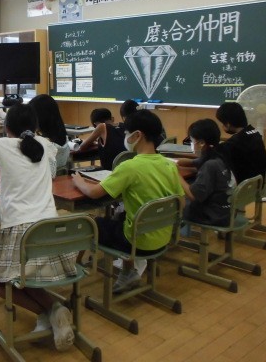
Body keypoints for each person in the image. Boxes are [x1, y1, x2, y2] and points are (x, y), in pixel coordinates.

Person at [0, 103, 77, 351]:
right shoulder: (46, 145)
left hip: (20, 230)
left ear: (6, 126)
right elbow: (34, 175)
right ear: (35, 126)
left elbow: (0, 183)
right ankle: (52, 312)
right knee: (24, 276)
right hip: (50, 230)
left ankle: (50, 310)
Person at [72, 109, 184, 293]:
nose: (125, 137)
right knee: (122, 216)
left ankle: (76, 273)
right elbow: (181, 202)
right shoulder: (169, 165)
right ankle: (128, 272)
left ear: (137, 135)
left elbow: (93, 193)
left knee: (91, 221)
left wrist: (79, 181)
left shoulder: (130, 167)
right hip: (163, 238)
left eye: (126, 133)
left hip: (135, 242)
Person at [178, 119, 234, 227]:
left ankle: (172, 233)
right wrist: (174, 162)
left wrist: (176, 175)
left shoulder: (210, 165)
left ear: (202, 143)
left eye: (192, 140)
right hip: (225, 211)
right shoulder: (219, 154)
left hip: (212, 215)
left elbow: (193, 196)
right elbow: (194, 162)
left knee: (176, 200)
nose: (191, 143)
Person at [215, 102, 266, 183]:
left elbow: (213, 154)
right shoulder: (255, 133)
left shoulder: (234, 143)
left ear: (228, 124)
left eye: (222, 123)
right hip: (260, 181)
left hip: (246, 185)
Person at [28, 94, 70, 171]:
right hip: (59, 175)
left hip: (43, 176)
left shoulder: (42, 143)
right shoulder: (64, 137)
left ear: (40, 117)